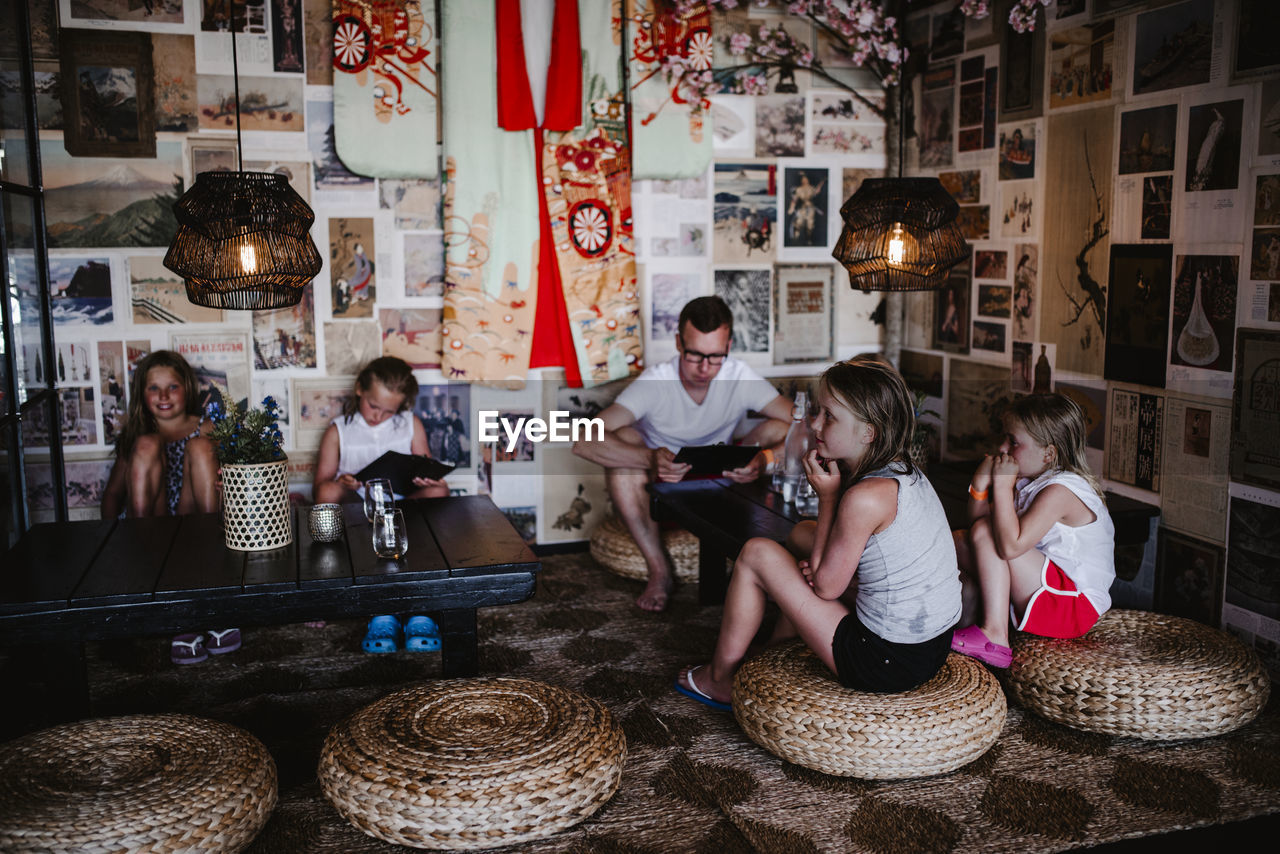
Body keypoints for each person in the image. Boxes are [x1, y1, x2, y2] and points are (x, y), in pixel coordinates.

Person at [673, 357, 961, 709]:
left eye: (829, 416)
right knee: (802, 534)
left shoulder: (865, 498)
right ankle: (776, 646)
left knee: (757, 553)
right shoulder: (904, 472)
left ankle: (718, 679)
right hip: (931, 643)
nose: (814, 423)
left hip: (886, 659)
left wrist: (827, 496)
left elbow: (826, 587)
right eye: (817, 412)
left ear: (868, 432)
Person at [572, 296, 793, 612]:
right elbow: (582, 440)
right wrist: (649, 457)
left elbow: (803, 424)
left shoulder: (737, 374)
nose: (705, 368)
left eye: (716, 356)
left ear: (729, 346)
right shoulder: (655, 382)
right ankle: (659, 571)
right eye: (695, 355)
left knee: (777, 428)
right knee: (621, 441)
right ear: (678, 343)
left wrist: (765, 460)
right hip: (663, 483)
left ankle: (753, 545)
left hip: (723, 478)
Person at [951, 394, 1115, 668]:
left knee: (984, 535)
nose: (1003, 448)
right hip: (1047, 587)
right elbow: (979, 527)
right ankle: (968, 621)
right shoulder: (1030, 481)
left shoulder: (1060, 491)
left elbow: (1009, 546)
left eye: (1013, 442)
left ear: (1048, 453)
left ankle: (995, 635)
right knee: (960, 542)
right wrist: (979, 487)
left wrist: (1002, 487)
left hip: (1072, 605)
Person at [100, 350, 235, 665]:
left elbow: (231, 483)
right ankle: (150, 585)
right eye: (153, 388)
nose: (163, 396)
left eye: (171, 387)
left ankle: (215, 589)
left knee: (201, 446)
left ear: (187, 388)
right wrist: (107, 545)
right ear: (141, 393)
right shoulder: (136, 437)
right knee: (147, 444)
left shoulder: (207, 427)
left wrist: (224, 488)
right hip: (149, 529)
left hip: (193, 524)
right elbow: (111, 496)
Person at [312, 356, 449, 654]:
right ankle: (380, 607)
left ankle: (419, 604)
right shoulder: (339, 429)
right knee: (327, 495)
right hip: (359, 511)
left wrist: (427, 479)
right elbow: (320, 487)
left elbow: (424, 466)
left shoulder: (410, 424)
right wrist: (344, 483)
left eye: (389, 411)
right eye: (374, 407)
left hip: (402, 511)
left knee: (441, 492)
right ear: (360, 389)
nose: (378, 416)